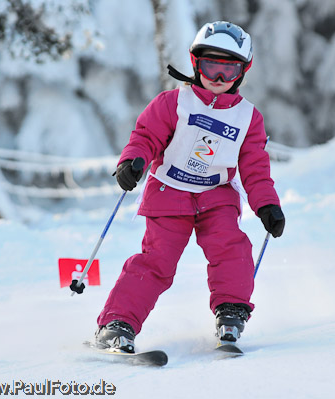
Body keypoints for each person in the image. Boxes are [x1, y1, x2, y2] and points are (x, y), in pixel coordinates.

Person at [91, 21, 285, 353]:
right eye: (212, 67)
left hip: (217, 197)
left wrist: (267, 204)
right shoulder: (174, 102)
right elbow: (146, 137)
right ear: (196, 64)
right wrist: (133, 161)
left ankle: (231, 310)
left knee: (232, 248)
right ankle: (116, 324)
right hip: (169, 193)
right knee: (157, 262)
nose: (219, 78)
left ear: (243, 70)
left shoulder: (247, 118)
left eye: (229, 69)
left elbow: (255, 167)